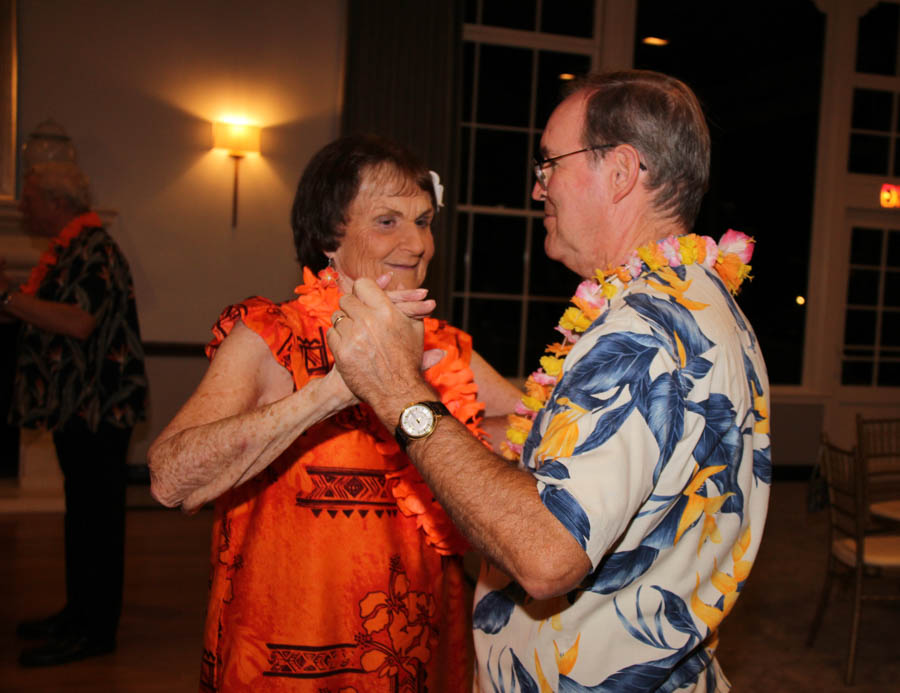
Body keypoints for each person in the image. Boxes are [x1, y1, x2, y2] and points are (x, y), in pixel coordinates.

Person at [327, 70, 772, 691]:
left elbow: (545, 556)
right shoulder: (697, 301)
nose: (540, 188)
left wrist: (402, 396)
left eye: (549, 164)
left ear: (619, 172)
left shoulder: (641, 332)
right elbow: (600, 462)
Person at [148, 134, 520, 691]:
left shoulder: (445, 348)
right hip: (288, 657)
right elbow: (169, 478)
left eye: (424, 221)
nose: (417, 243)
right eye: (388, 221)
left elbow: (536, 428)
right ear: (329, 238)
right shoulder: (273, 336)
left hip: (416, 656)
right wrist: (334, 390)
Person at [5, 162, 147, 667]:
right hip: (78, 408)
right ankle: (76, 614)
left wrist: (8, 298)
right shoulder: (71, 248)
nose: (23, 206)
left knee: (98, 522)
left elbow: (80, 322)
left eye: (30, 197)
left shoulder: (95, 250)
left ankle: (94, 630)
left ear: (58, 202)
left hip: (99, 409)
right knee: (82, 519)